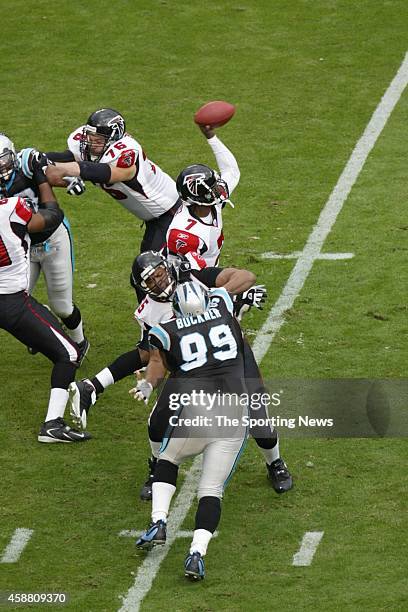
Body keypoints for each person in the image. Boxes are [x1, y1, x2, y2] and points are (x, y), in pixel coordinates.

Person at [135, 280, 249, 580]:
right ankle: (197, 553)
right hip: (233, 414)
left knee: (167, 460)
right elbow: (226, 287)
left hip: (196, 413)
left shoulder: (167, 331)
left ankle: (159, 521)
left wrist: (148, 384)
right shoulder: (223, 307)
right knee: (211, 490)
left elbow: (159, 362)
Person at [0, 194, 91, 443]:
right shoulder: (12, 207)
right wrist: (41, 181)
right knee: (69, 354)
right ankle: (53, 425)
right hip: (11, 301)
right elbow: (52, 216)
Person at [0, 133, 89, 363]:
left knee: (62, 305)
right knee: (18, 299)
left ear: (13, 155)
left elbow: (50, 174)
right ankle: (46, 332)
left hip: (53, 238)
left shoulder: (28, 160)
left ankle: (79, 342)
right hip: (22, 246)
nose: (2, 168)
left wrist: (68, 180)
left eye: (4, 161)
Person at [166, 124, 239, 268]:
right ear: (198, 198)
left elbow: (231, 171)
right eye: (212, 188)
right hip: (189, 284)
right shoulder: (183, 232)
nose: (218, 189)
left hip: (208, 275)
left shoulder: (211, 202)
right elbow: (194, 275)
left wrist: (211, 137)